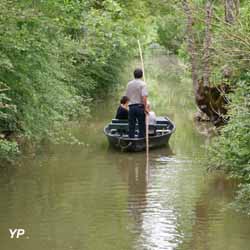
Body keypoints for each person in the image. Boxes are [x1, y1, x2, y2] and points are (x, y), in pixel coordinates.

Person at [125, 68, 149, 138]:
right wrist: (145, 108)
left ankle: (131, 140)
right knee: (141, 125)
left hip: (131, 107)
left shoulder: (129, 84)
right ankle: (140, 139)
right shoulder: (143, 84)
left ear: (134, 75)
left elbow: (127, 97)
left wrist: (127, 106)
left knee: (131, 125)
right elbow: (144, 97)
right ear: (141, 75)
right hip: (140, 107)